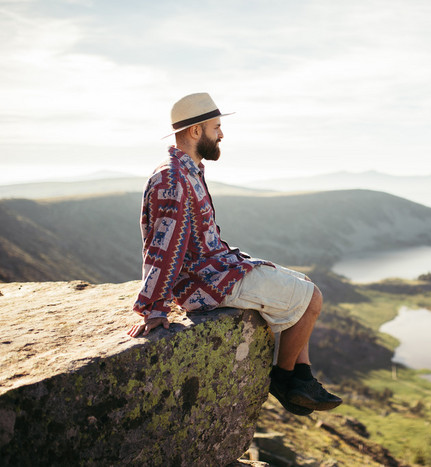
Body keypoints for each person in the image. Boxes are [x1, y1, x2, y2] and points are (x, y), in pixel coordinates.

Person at [127, 92, 342, 415]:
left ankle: (302, 377)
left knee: (303, 283)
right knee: (311, 296)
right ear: (196, 131)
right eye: (216, 127)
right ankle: (284, 380)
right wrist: (152, 307)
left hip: (216, 267)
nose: (222, 134)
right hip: (204, 281)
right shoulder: (172, 178)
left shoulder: (188, 170)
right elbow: (163, 246)